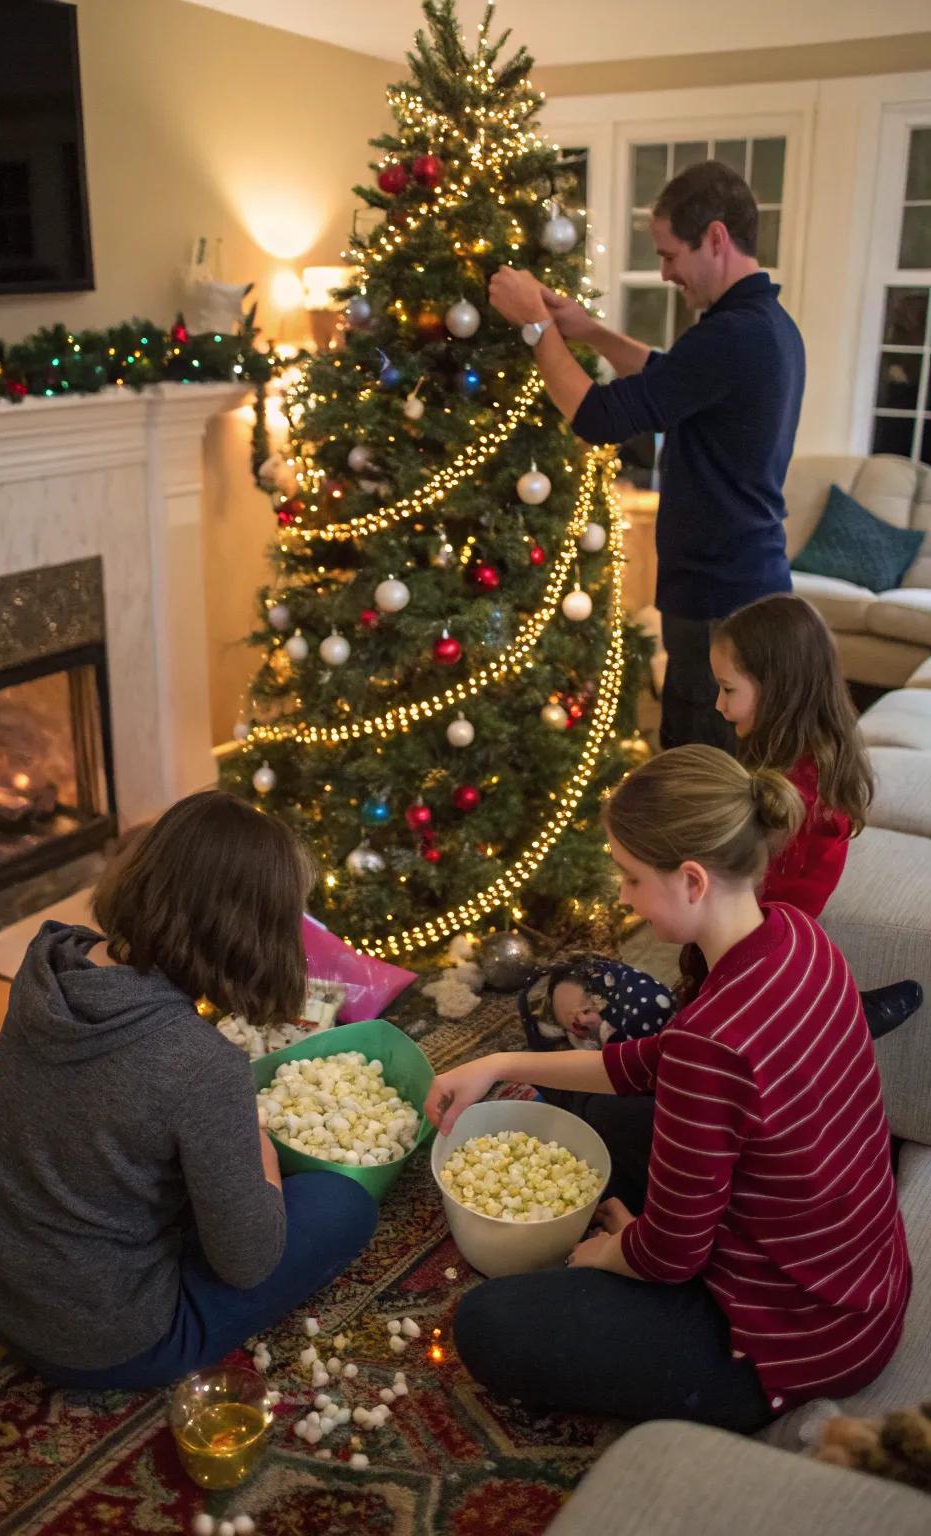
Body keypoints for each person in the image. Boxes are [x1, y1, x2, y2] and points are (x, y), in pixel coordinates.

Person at [425, 747, 910, 1430]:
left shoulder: (712, 1044)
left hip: (798, 1335)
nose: (620, 896)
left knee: (487, 1325)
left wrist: (616, 1251)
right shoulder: (795, 935)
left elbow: (671, 1255)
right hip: (863, 1280)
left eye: (629, 877)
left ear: (690, 880)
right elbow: (647, 1062)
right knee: (601, 1114)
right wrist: (501, 1062)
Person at [0, 791, 377, 1387]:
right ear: (254, 937)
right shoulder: (203, 1065)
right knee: (344, 1205)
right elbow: (248, 1260)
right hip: (98, 1338)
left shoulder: (50, 956)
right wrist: (254, 1141)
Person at [489, 160, 805, 751]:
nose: (664, 273)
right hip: (741, 588)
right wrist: (587, 331)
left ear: (714, 238)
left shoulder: (732, 335)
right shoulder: (763, 325)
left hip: (720, 602)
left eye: (670, 255)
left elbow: (597, 417)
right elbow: (669, 377)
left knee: (700, 788)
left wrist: (536, 325)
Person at [707, 592, 921, 1034]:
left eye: (728, 690)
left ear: (779, 688)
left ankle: (844, 1015)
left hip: (780, 931)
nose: (719, 705)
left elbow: (771, 907)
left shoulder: (797, 790)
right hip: (785, 925)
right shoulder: (795, 746)